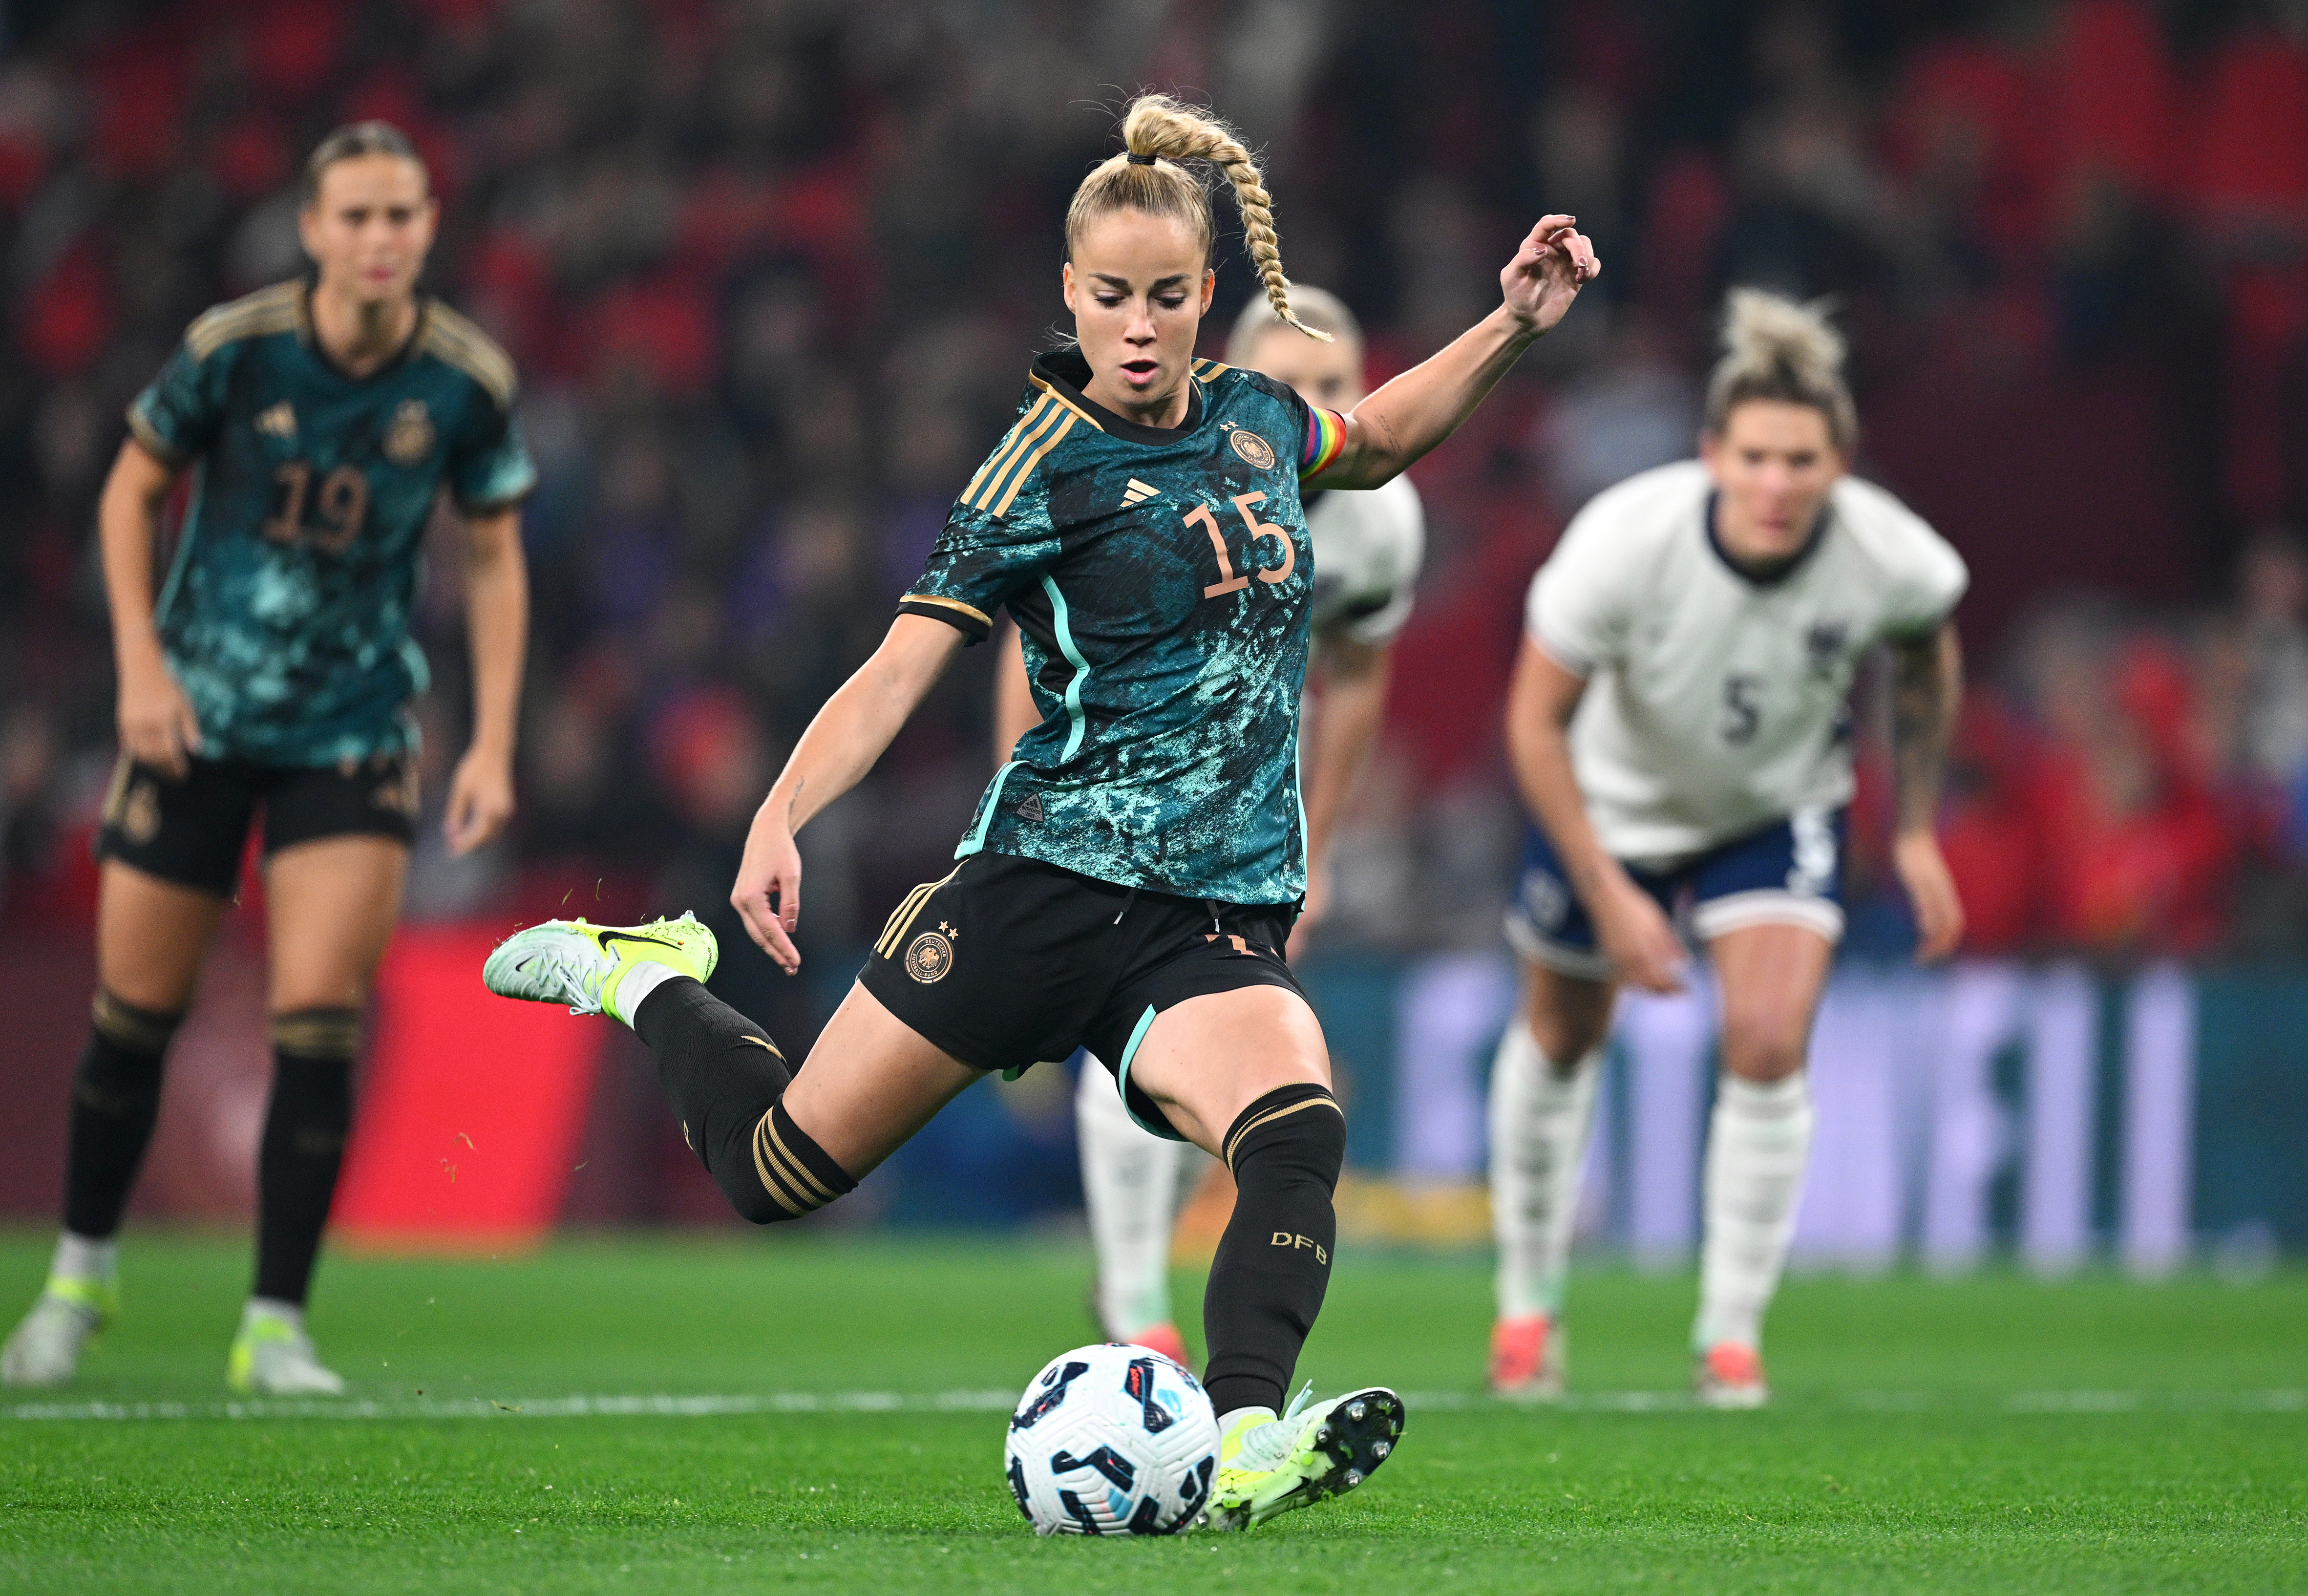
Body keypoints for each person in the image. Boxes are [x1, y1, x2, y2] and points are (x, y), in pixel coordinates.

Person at [482, 93, 1594, 1529]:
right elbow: (896, 672)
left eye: (1168, 297)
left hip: (1203, 915)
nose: (1140, 325)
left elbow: (1376, 438)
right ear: (1071, 295)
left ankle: (1246, 1435)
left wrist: (1509, 323)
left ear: (1207, 298)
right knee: (773, 1173)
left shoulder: (1259, 419)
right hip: (1033, 889)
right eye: (1112, 296)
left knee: (1293, 1125)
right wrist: (779, 813)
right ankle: (644, 979)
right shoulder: (1034, 468)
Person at [1, 123, 534, 1395]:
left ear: (427, 229)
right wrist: (138, 663)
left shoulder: (462, 381)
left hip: (348, 731)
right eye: (354, 216)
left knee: (319, 1014)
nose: (379, 239)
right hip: (194, 722)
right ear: (311, 230)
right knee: (134, 1012)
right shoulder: (234, 353)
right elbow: (130, 490)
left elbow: (493, 552)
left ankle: (276, 1323)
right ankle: (78, 1280)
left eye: (400, 215)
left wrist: (495, 740)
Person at [1488, 289, 1965, 1407]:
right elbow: (1530, 724)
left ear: (1839, 461)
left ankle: (1730, 1334)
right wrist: (1608, 894)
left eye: (1800, 459)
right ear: (1711, 452)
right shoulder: (1621, 541)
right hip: (1607, 800)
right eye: (1753, 455)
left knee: (1764, 1035)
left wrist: (1913, 829)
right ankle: (1525, 1309)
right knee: (1560, 1035)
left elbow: (1926, 661)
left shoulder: (1891, 557)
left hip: (1776, 801)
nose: (1776, 483)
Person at [985, 286, 1426, 1365]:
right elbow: (1029, 646)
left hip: (1242, 814)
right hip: (1109, 788)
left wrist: (1309, 848)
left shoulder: (1380, 523)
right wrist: (1024, 806)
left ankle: (1130, 1284)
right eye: (1288, 381)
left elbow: (1359, 678)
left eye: (1331, 384)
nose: (1309, 402)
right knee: (1132, 1009)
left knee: (1210, 1055)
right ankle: (1136, 1300)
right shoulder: (1158, 489)